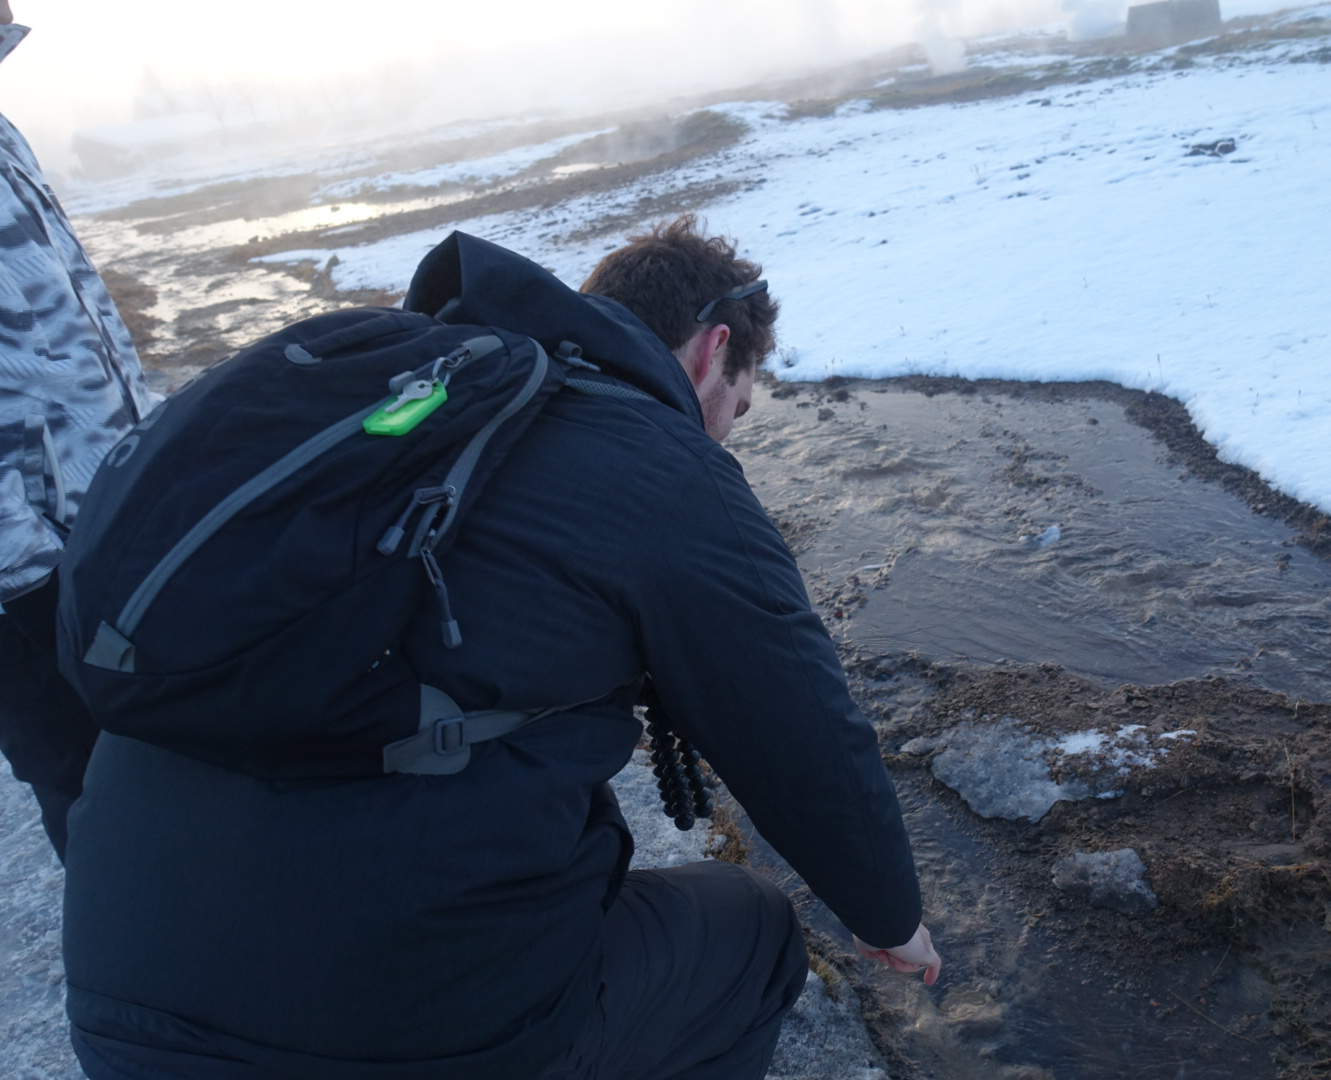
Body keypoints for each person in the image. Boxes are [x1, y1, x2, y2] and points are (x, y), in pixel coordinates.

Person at [62, 217, 941, 1080]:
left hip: (119, 1007)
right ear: (714, 351)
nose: (725, 431)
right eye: (737, 407)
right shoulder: (666, 468)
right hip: (397, 1038)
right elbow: (803, 735)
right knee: (753, 935)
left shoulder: (398, 406)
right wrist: (889, 917)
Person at [0, 2, 158, 863]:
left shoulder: (2, 132)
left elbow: (76, 311)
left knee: (161, 766)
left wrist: (147, 447)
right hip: (25, 576)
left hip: (103, 521)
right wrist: (27, 579)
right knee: (89, 786)